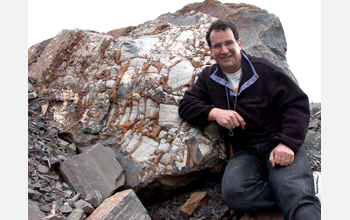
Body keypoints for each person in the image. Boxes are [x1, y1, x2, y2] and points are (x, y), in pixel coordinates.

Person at [178, 20, 321, 220]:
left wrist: (287, 143)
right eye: (217, 46)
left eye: (229, 43)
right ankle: (300, 189)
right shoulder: (208, 78)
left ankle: (300, 193)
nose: (225, 50)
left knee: (298, 199)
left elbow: (296, 104)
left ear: (239, 44)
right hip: (246, 152)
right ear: (211, 51)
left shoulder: (264, 70)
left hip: (277, 142)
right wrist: (215, 113)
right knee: (235, 193)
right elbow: (186, 105)